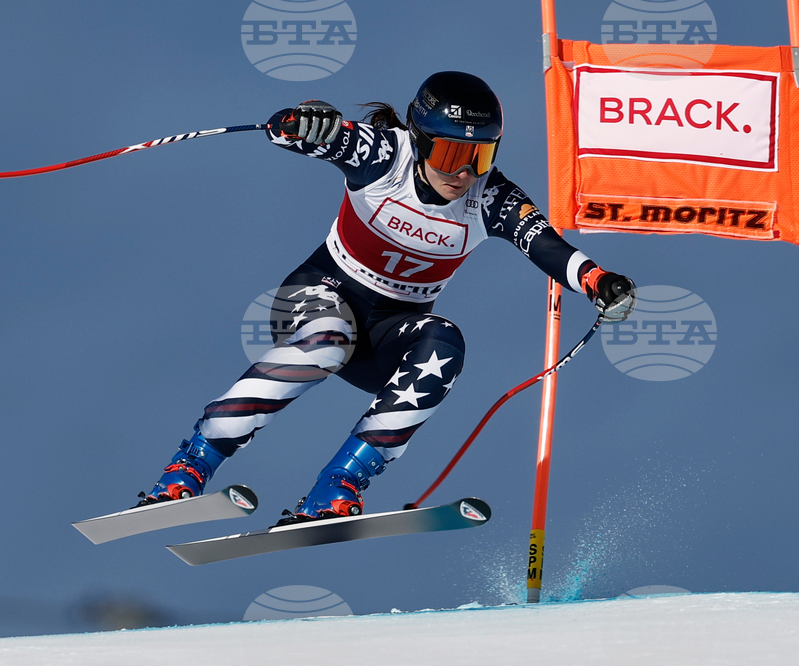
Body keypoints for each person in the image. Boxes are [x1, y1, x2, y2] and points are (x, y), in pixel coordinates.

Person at [137, 71, 636, 523]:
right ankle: (190, 466)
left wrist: (597, 281)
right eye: (449, 154)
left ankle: (339, 486)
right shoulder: (383, 155)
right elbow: (290, 131)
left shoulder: (490, 197)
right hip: (317, 295)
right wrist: (301, 121)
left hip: (386, 334)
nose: (463, 173)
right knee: (329, 339)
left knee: (444, 343)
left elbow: (547, 246)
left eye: (480, 156)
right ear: (419, 142)